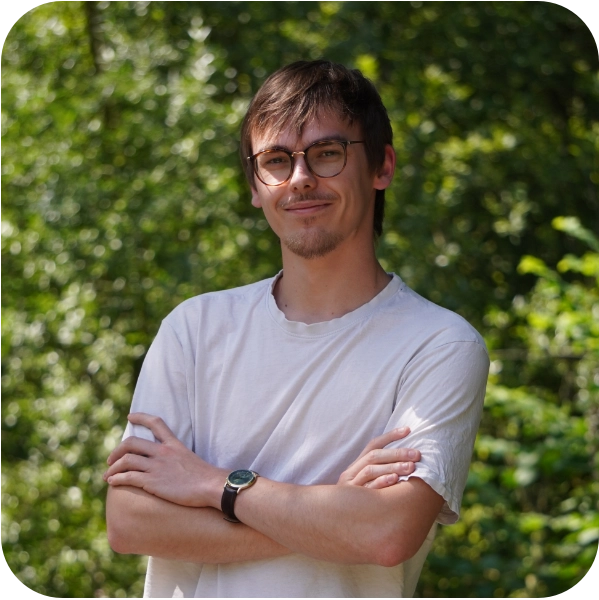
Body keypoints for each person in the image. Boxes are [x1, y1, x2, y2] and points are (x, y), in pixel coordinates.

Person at [104, 60, 489, 599]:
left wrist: (213, 485)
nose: (301, 178)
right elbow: (129, 523)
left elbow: (385, 532)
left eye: (328, 153)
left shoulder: (440, 345)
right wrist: (332, 509)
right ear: (255, 186)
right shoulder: (194, 329)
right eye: (276, 160)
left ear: (382, 166)